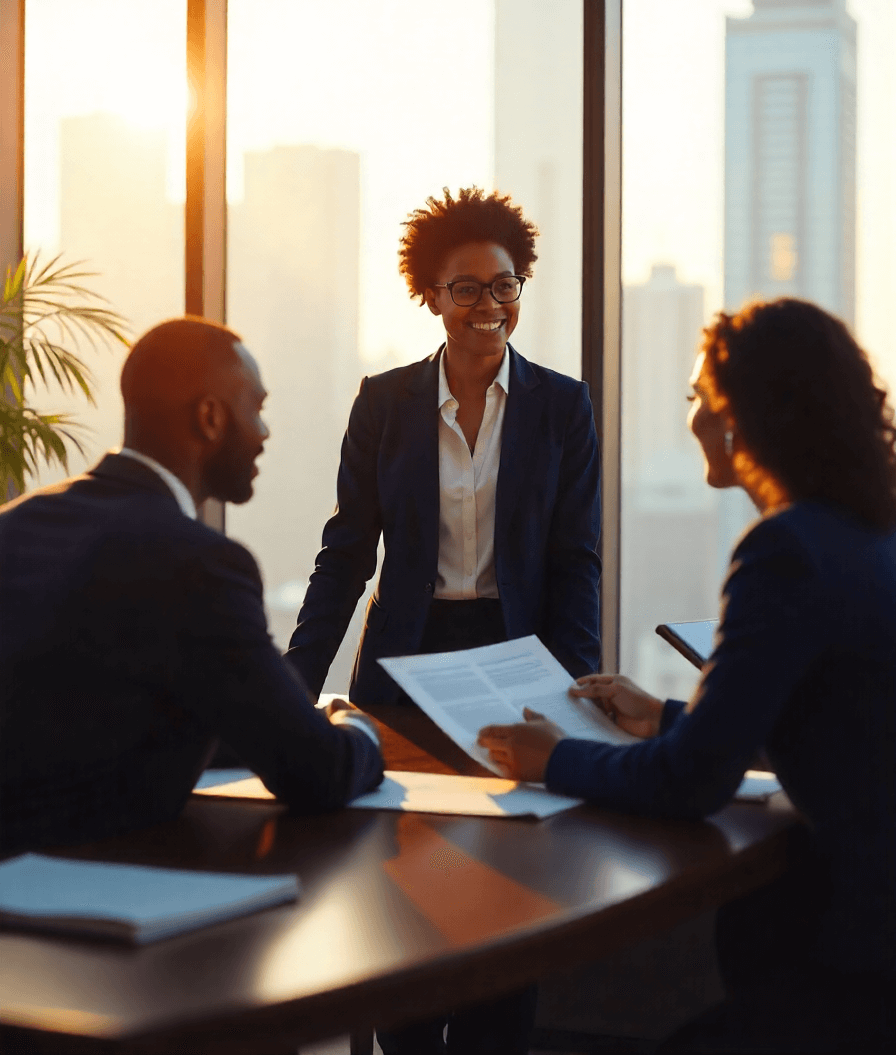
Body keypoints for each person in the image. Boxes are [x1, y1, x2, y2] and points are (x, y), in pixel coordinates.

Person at [478, 297, 896, 1052]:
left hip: (856, 957)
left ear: (741, 416)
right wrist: (666, 717)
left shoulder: (785, 550)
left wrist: (553, 758)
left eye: (698, 398)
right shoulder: (869, 534)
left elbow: (693, 783)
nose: (693, 418)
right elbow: (837, 722)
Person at [287, 187, 602, 1054]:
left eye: (504, 286)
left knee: (509, 901)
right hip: (405, 669)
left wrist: (572, 695)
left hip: (513, 663)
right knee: (404, 904)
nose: (488, 306)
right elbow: (346, 555)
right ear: (431, 295)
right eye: (466, 288)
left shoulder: (561, 407)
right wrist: (287, 692)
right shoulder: (384, 403)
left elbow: (577, 563)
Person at [0, 318, 383, 855]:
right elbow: (317, 771)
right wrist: (360, 729)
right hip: (98, 898)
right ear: (210, 417)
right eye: (258, 408)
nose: (265, 433)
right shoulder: (202, 564)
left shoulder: (14, 525)